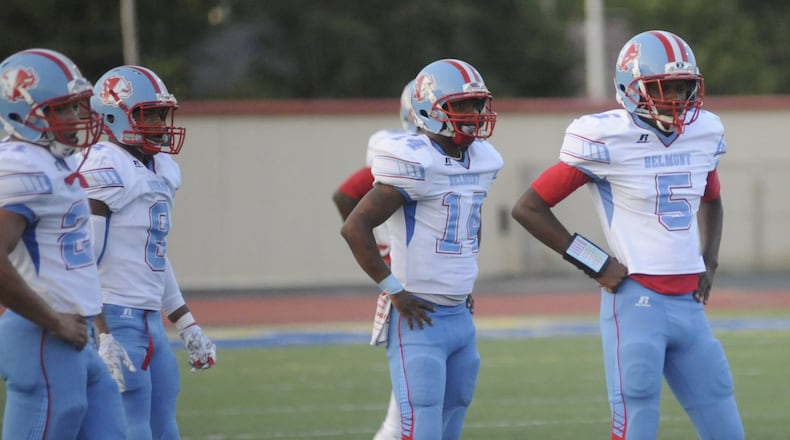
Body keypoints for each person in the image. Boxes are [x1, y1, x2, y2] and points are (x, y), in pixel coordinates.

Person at [510, 30, 744, 439]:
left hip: (689, 305)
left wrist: (709, 258)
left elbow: (712, 198)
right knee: (637, 419)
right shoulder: (606, 136)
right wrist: (593, 261)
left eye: (684, 87)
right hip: (636, 304)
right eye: (664, 87)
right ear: (630, 89)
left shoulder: (704, 130)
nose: (676, 98)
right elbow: (528, 207)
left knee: (724, 420)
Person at [341, 58, 503, 439]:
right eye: (461, 105)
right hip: (419, 318)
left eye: (476, 104)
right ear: (430, 110)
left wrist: (463, 283)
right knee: (421, 427)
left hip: (459, 315)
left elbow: (468, 229)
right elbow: (354, 227)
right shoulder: (414, 159)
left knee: (452, 422)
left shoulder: (482, 160)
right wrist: (393, 288)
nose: (474, 114)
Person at [78, 65, 217, 439]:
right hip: (113, 312)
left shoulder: (159, 167)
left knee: (163, 424)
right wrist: (101, 330)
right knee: (130, 425)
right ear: (114, 115)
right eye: (148, 113)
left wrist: (186, 323)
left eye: (160, 113)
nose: (158, 122)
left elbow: (152, 254)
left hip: (149, 316)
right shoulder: (105, 164)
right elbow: (83, 260)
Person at [0, 48, 127, 438]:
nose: (76, 119)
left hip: (76, 336)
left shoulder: (56, 159)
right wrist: (53, 320)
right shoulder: (19, 164)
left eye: (76, 107)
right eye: (62, 109)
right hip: (43, 334)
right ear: (20, 111)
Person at [332, 80, 417, 440]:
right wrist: (382, 247)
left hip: (437, 286)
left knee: (422, 404)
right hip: (411, 287)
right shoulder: (405, 154)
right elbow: (345, 195)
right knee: (408, 407)